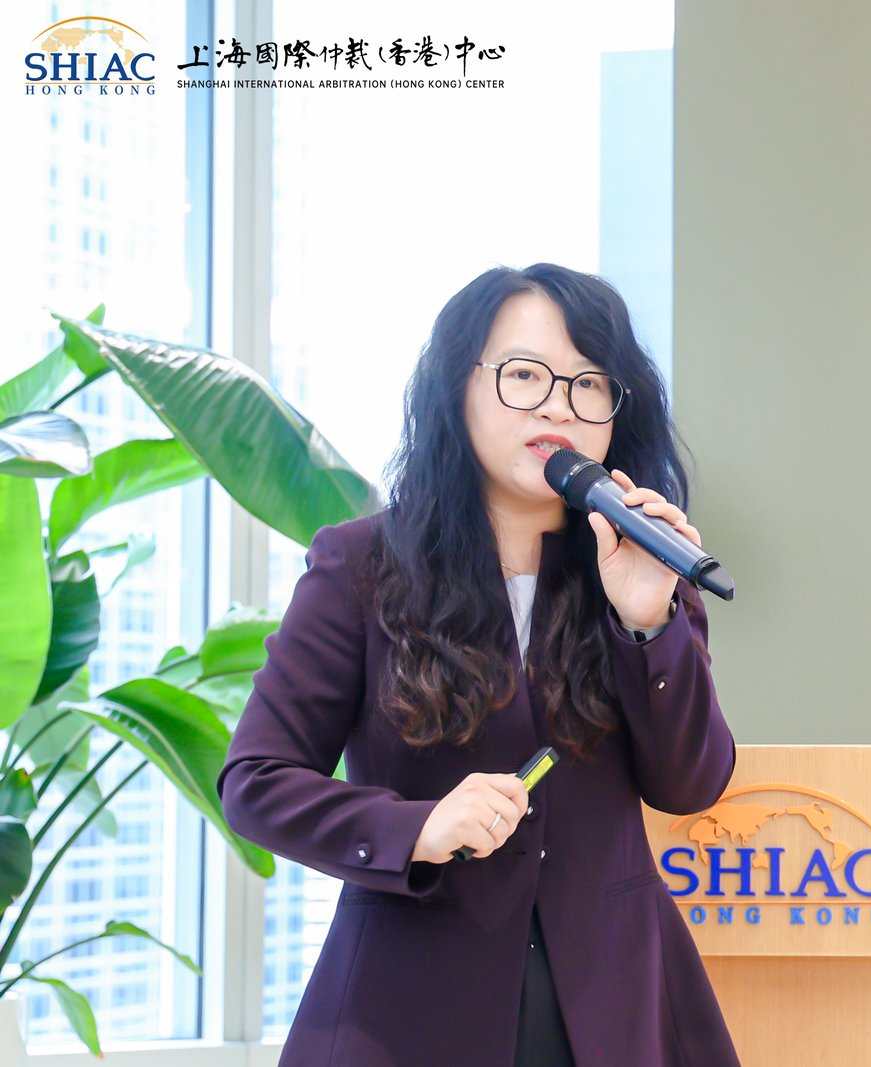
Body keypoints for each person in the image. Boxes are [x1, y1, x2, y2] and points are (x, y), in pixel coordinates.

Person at [217, 263, 742, 1066]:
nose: (558, 406)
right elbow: (256, 782)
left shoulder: (645, 567)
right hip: (409, 1008)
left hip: (614, 1004)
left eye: (589, 384)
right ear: (456, 389)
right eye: (524, 375)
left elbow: (690, 783)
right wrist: (416, 828)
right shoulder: (362, 567)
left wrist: (647, 623)